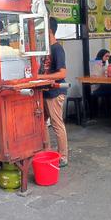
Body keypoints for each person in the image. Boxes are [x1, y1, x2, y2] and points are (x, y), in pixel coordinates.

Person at [38, 17, 68, 167]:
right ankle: (47, 151)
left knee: (56, 124)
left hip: (55, 93)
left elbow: (62, 74)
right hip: (44, 93)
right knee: (42, 123)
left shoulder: (57, 48)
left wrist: (42, 76)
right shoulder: (45, 49)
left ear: (49, 30)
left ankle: (63, 156)